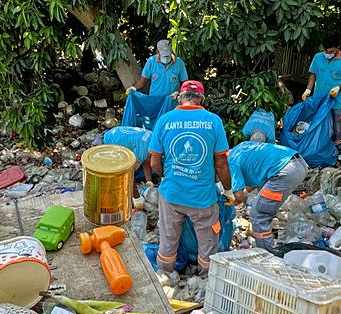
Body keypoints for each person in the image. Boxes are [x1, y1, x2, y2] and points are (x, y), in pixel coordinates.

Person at [148, 80, 232, 276]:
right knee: (208, 242)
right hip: (202, 198)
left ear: (180, 97)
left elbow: (154, 162)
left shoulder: (165, 120)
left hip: (171, 195)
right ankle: (205, 280)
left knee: (168, 240)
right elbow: (221, 163)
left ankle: (165, 276)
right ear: (202, 99)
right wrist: (227, 189)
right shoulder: (213, 121)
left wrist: (166, 177)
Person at [228, 142, 308, 251]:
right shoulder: (240, 148)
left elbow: (239, 197)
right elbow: (256, 176)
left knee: (258, 216)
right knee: (262, 209)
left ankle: (267, 254)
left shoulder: (230, 163)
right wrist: (245, 193)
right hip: (298, 163)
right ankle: (267, 246)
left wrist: (228, 204)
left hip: (284, 171)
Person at [302, 35, 341, 152]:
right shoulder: (318, 57)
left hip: (336, 100)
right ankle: (320, 145)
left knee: (337, 123)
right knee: (319, 122)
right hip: (319, 98)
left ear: (338, 48)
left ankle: (338, 145)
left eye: (330, 51)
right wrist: (308, 90)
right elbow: (313, 75)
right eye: (326, 50)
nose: (327, 53)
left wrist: (339, 87)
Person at [101, 126, 154, 200]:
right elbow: (129, 173)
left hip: (112, 133)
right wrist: (137, 198)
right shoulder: (144, 150)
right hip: (106, 143)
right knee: (115, 178)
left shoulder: (153, 138)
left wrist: (150, 184)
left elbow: (146, 162)